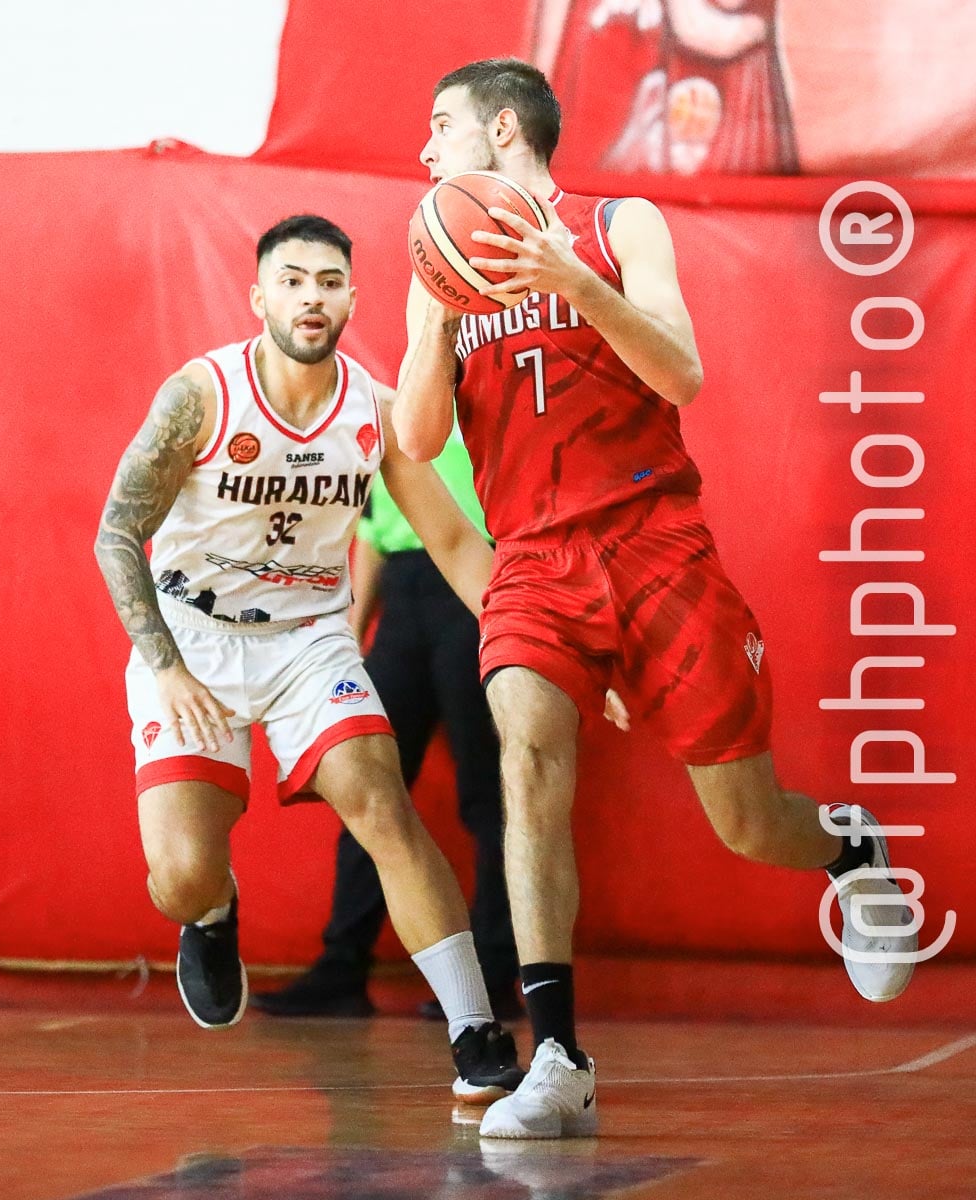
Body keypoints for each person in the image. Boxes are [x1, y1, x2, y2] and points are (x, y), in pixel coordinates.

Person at [393, 58, 919, 1139]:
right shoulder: (433, 262)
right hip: (534, 558)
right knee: (527, 750)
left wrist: (569, 279)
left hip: (654, 538)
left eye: (439, 125)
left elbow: (680, 372)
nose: (424, 149)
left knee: (748, 824)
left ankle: (851, 847)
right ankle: (560, 1058)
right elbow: (417, 439)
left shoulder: (618, 223)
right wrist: (441, 314)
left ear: (502, 129)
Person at [93, 214, 525, 1106]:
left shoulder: (372, 410)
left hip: (306, 642)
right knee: (177, 878)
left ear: (351, 298)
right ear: (261, 298)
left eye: (328, 281)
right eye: (292, 281)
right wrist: (166, 666)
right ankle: (211, 916)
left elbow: (452, 539)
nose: (310, 297)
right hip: (190, 641)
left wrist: (539, 641)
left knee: (380, 798)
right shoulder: (201, 395)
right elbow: (115, 534)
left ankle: (474, 1029)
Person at [252, 428, 520, 1021]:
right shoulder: (398, 418)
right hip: (402, 601)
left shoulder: (487, 402)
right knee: (370, 786)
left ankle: (496, 977)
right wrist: (349, 637)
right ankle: (343, 967)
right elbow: (372, 534)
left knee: (492, 799)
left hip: (475, 586)